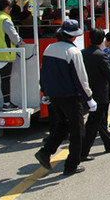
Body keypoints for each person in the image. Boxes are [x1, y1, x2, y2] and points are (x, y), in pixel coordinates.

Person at [35, 19, 95, 176]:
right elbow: (81, 78)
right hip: (70, 96)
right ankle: (71, 165)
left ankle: (46, 151)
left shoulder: (49, 48)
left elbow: (44, 72)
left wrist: (45, 92)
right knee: (77, 132)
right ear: (74, 36)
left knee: (62, 125)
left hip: (54, 95)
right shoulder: (73, 52)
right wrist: (88, 97)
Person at [81, 28, 110, 160]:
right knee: (94, 123)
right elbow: (109, 74)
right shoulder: (101, 56)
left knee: (99, 120)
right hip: (100, 93)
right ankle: (84, 151)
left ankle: (109, 143)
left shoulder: (83, 53)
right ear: (102, 41)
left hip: (86, 91)